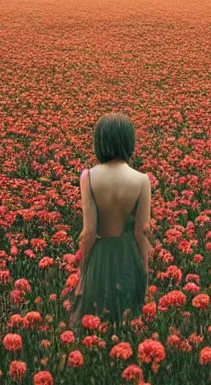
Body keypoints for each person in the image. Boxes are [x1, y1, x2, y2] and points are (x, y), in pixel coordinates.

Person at [70, 113, 152, 329]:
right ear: (129, 141)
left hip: (101, 257)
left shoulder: (88, 176)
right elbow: (141, 233)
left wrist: (83, 272)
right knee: (127, 323)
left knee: (98, 323)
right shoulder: (142, 180)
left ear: (100, 142)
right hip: (129, 257)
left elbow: (88, 232)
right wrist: (144, 270)